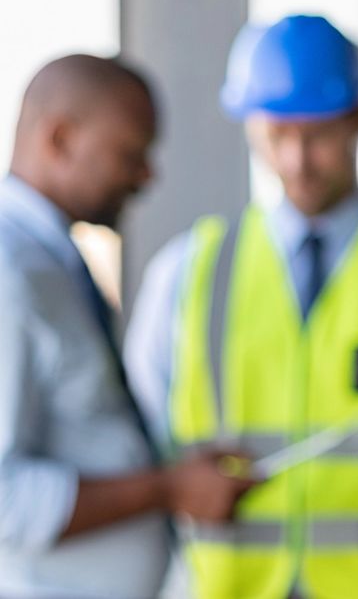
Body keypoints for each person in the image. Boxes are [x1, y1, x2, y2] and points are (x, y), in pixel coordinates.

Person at [125, 16, 358, 598]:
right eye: (277, 135)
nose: (298, 160)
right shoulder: (188, 272)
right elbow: (140, 453)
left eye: (319, 135)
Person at [0, 54, 256, 598]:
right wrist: (166, 489)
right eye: (131, 154)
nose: (147, 175)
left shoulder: (48, 262)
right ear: (61, 139)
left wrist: (173, 474)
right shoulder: (9, 271)